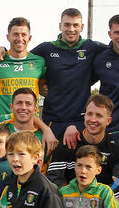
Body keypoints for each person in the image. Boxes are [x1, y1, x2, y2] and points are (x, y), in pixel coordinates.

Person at [29, 8, 108, 143]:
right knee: (52, 162)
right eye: (67, 25)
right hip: (53, 119)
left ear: (82, 27)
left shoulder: (91, 46)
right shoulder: (46, 48)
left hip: (81, 120)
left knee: (81, 161)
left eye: (75, 25)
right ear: (60, 26)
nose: (71, 29)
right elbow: (21, 58)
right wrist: (2, 50)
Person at [45, 94, 119, 203]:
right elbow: (54, 178)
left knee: (118, 200)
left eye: (99, 115)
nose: (93, 119)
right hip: (70, 201)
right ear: (84, 116)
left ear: (108, 121)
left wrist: (96, 197)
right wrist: (73, 196)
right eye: (89, 114)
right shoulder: (69, 142)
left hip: (101, 201)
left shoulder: (116, 146)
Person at [0, 17, 45, 116]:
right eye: (16, 34)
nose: (20, 39)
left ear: (29, 38)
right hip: (3, 126)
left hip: (30, 126)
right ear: (8, 37)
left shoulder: (39, 62)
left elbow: (44, 89)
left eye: (23, 35)